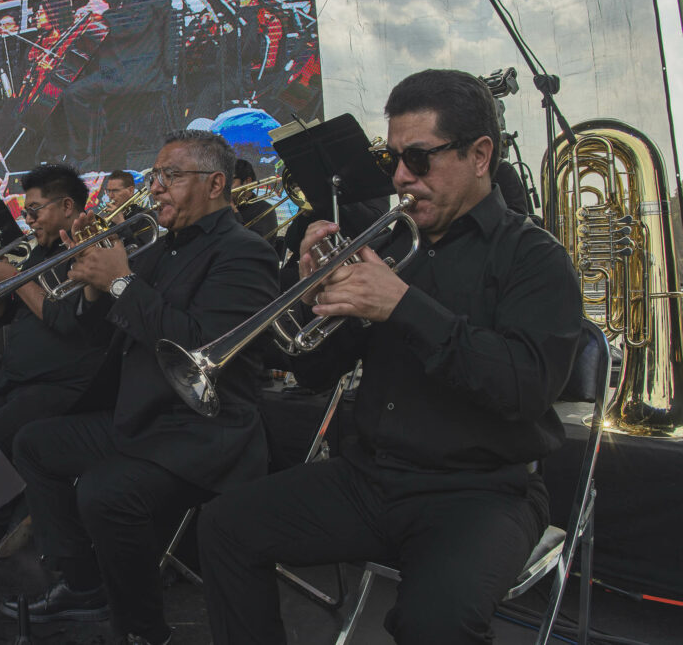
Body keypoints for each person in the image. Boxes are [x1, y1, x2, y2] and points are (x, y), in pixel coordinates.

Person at [197, 69, 583, 645]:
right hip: (371, 479)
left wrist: (404, 306)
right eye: (393, 160)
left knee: (435, 624)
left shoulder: (534, 258)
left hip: (480, 491)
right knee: (224, 526)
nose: (402, 178)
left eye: (420, 160)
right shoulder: (391, 247)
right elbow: (315, 370)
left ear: (480, 155)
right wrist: (309, 298)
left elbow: (524, 390)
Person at [3, 130, 279, 645]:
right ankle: (83, 583)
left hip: (204, 433)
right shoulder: (156, 249)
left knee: (107, 495)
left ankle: (144, 632)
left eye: (170, 176)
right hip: (142, 419)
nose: (155, 189)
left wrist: (122, 282)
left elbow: (201, 346)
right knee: (34, 444)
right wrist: (92, 272)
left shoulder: (246, 253)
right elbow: (86, 328)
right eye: (155, 177)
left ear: (216, 183)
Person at [0, 164, 107, 562]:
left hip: (61, 384)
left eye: (35, 211)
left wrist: (18, 278)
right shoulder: (38, 252)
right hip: (17, 377)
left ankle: (5, 515)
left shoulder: (89, 250)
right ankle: (13, 508)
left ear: (66, 206)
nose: (29, 220)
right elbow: (5, 318)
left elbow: (66, 320)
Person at [59, 0, 172, 165]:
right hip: (122, 69)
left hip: (137, 73)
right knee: (77, 86)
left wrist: (104, 12)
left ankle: (82, 156)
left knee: (74, 94)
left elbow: (132, 26)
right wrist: (93, 16)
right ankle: (87, 153)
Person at [231, 158, 277, 240]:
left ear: (247, 181)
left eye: (230, 181)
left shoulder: (265, 210)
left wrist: (233, 210)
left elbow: (253, 247)